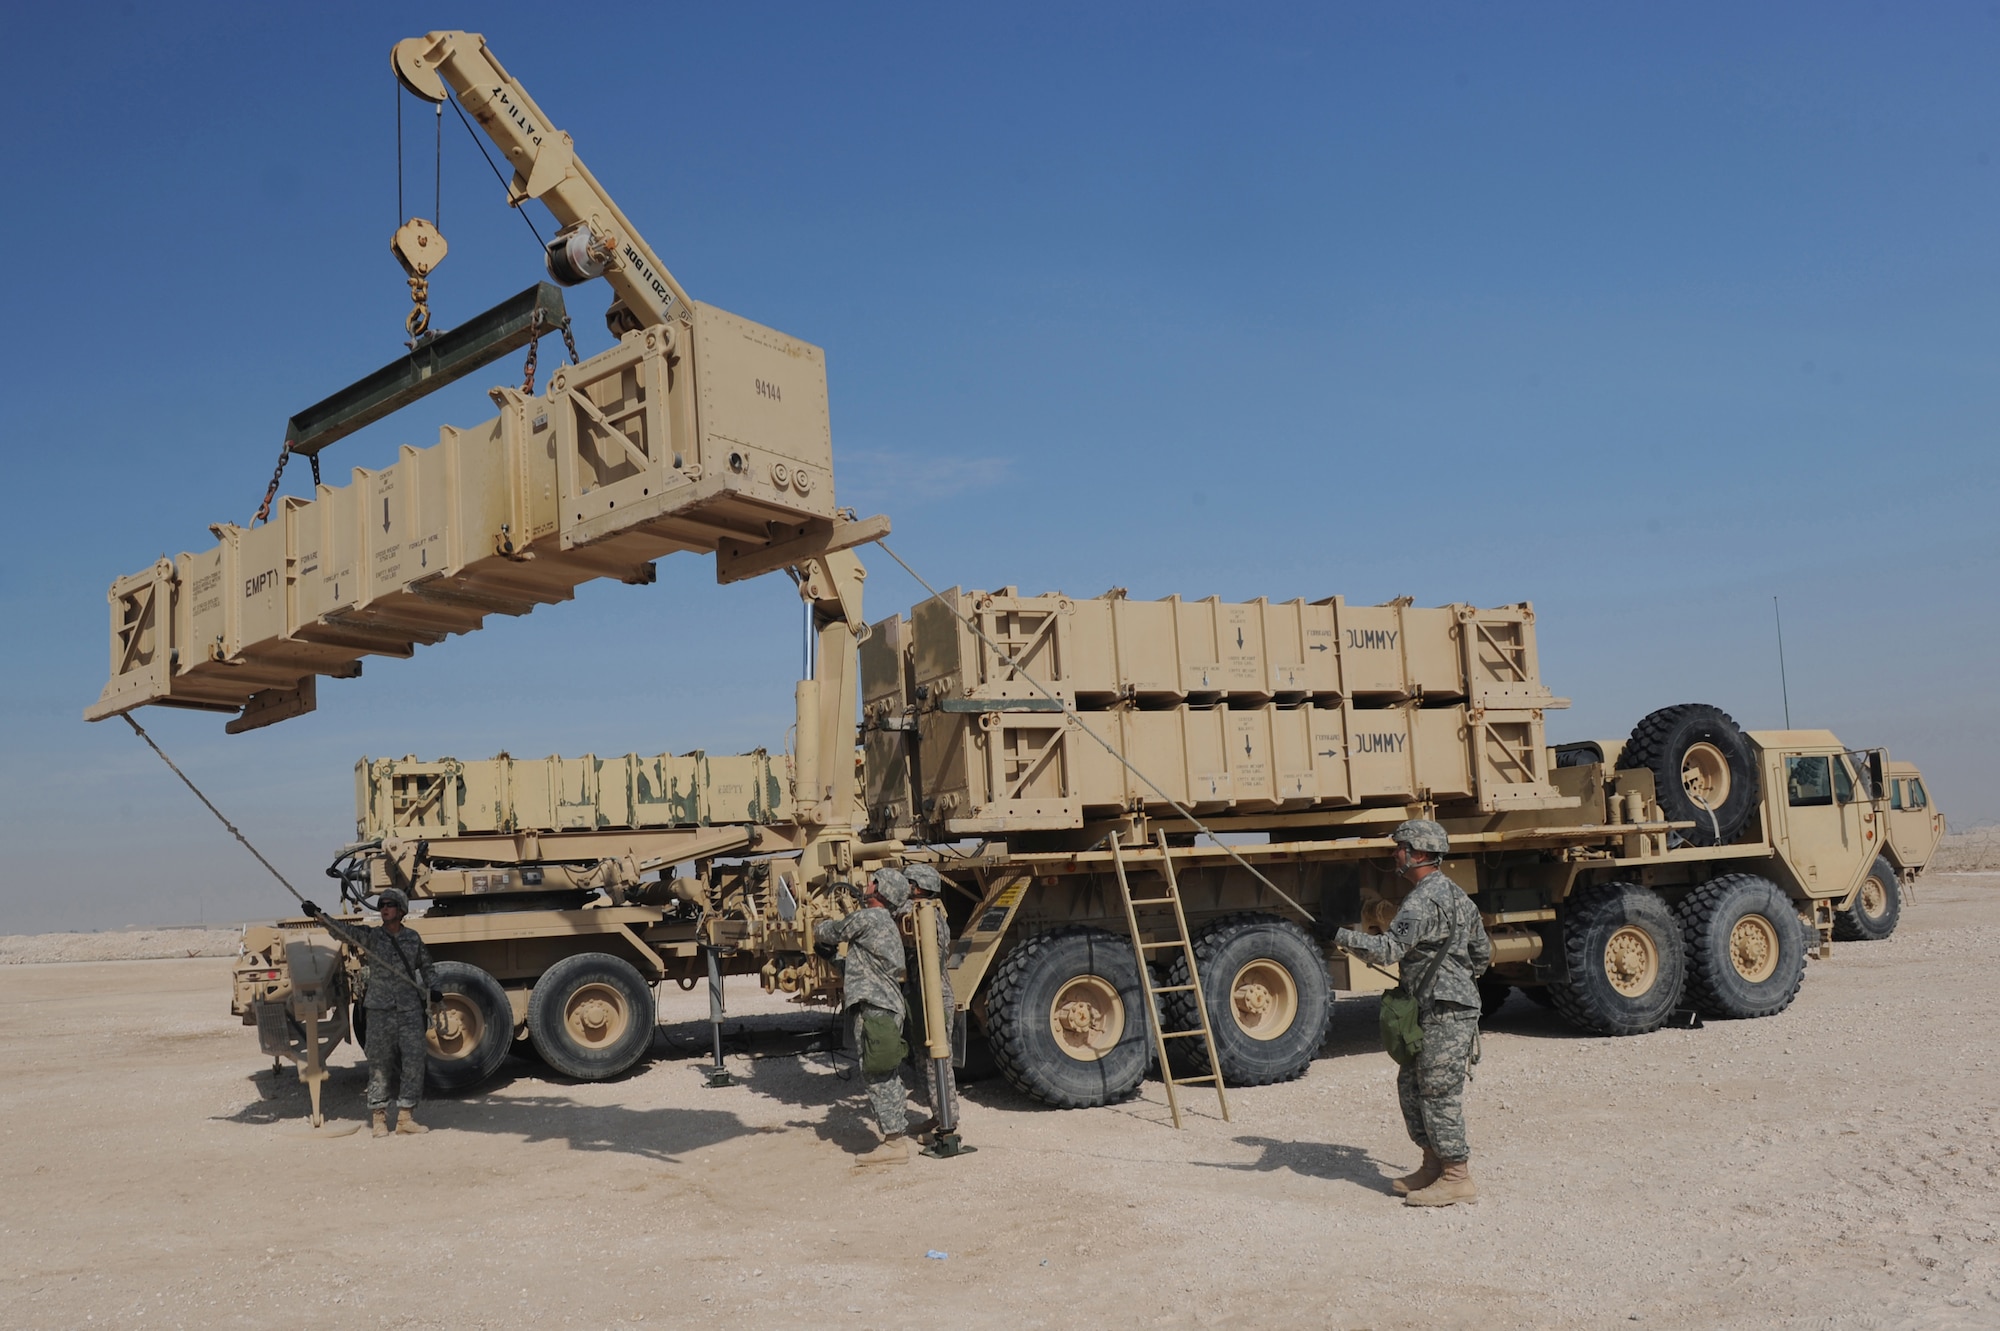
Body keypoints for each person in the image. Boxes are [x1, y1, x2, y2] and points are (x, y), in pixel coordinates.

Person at [1334, 819, 1491, 1206]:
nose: (1395, 854)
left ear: (1418, 854)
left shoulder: (1421, 900)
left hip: (1445, 1012)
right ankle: (1432, 1166)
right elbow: (1483, 956)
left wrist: (1338, 934)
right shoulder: (1459, 897)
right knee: (1413, 1087)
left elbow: (1388, 950)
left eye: (1400, 847)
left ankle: (1457, 1176)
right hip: (1432, 1008)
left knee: (1437, 1093)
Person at [305, 887, 440, 1138]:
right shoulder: (371, 937)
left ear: (400, 910)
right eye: (381, 905)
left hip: (410, 1010)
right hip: (379, 1011)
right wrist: (319, 916)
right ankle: (379, 1119)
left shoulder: (413, 938)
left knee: (413, 1063)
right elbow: (343, 932)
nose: (384, 908)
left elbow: (426, 965)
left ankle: (405, 1118)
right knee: (379, 1064)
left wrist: (435, 987)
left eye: (389, 904)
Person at [814, 867, 916, 1164]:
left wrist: (814, 927)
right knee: (884, 1070)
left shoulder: (870, 918)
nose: (867, 885)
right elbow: (862, 972)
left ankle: (895, 1144)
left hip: (876, 1009)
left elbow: (830, 931)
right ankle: (896, 1134)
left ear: (880, 891)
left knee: (877, 1073)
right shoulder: (883, 926)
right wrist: (832, 958)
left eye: (873, 882)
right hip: (880, 1005)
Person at [899, 862, 958, 1141]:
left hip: (935, 996)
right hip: (922, 995)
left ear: (918, 887)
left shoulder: (927, 914)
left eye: (908, 884)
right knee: (923, 1060)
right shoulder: (921, 912)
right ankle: (936, 1116)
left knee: (938, 1062)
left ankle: (948, 1123)